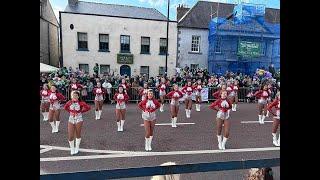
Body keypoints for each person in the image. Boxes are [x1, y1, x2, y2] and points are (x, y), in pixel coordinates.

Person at [64, 91, 91, 155]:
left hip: (79, 119)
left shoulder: (81, 103)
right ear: (71, 96)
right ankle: (72, 148)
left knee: (78, 134)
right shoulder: (69, 102)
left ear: (78, 96)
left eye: (76, 95)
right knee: (70, 136)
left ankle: (77, 147)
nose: (75, 97)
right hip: (71, 118)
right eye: (73, 95)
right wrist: (70, 111)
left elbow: (88, 108)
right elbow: (65, 108)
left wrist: (81, 111)